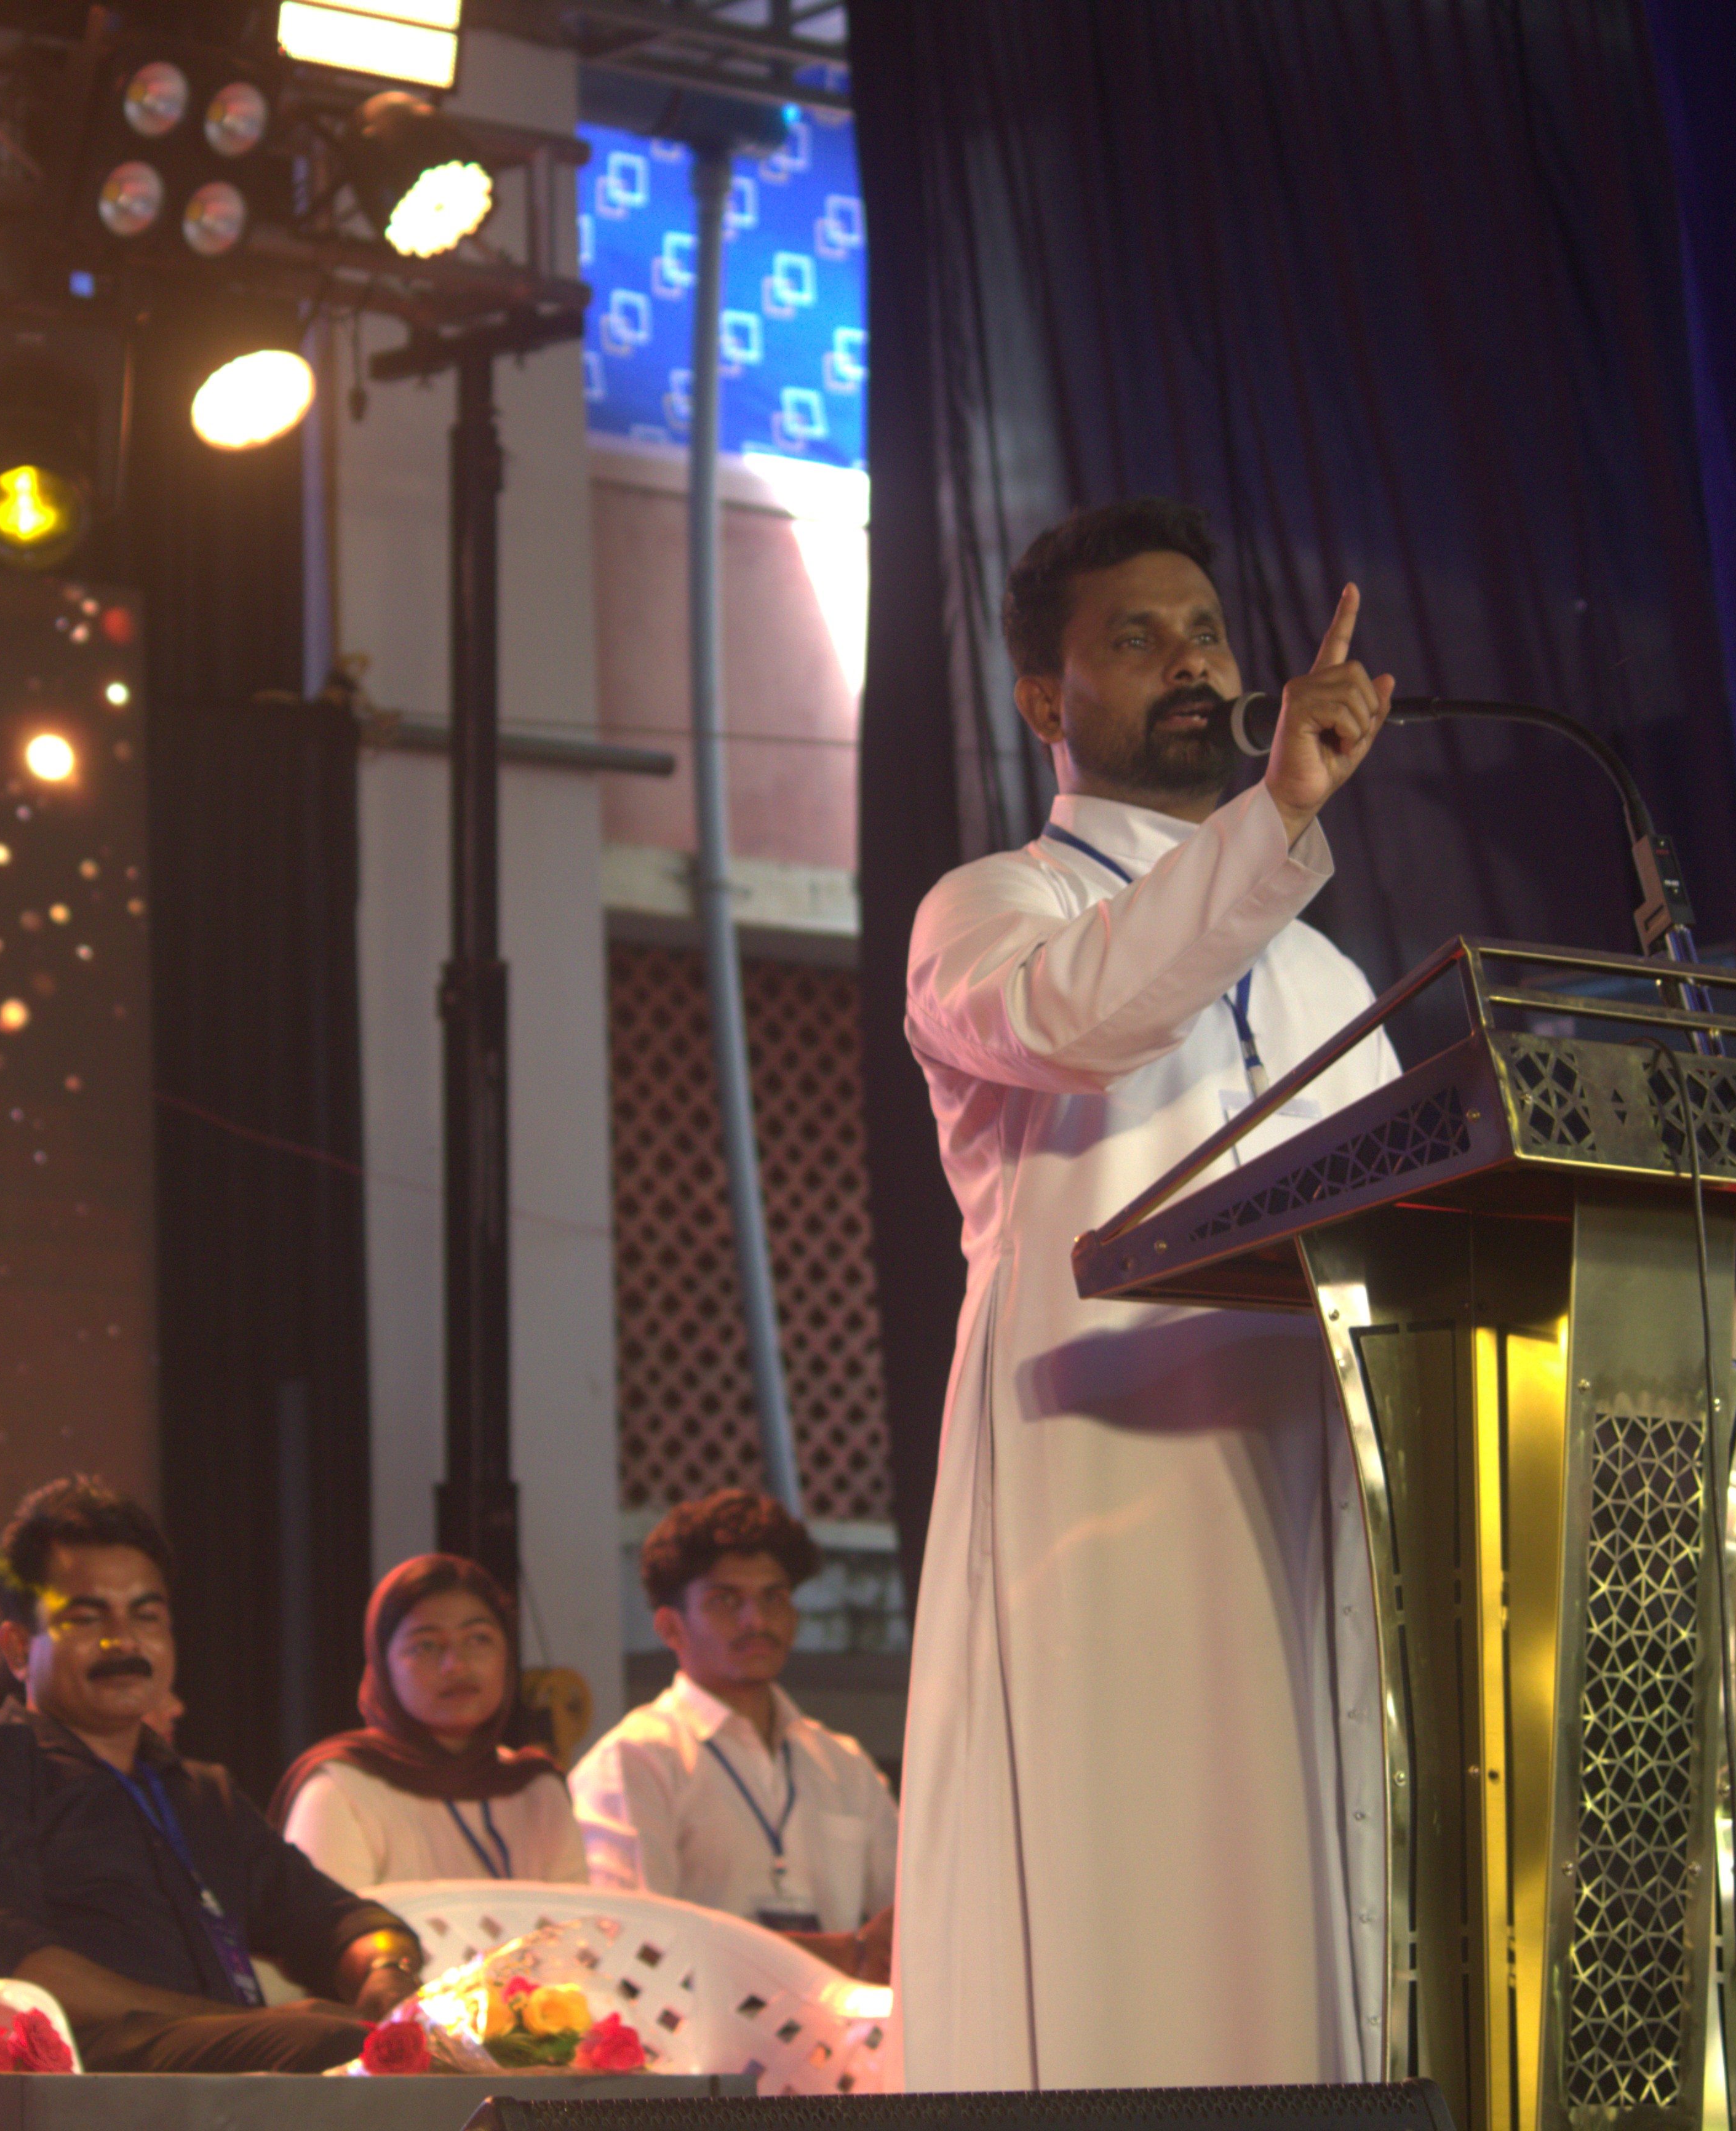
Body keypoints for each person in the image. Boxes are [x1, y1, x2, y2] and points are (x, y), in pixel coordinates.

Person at [894, 498, 1400, 2089]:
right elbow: (1081, 1017)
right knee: (1121, 1905)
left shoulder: (1324, 971)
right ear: (1044, 699)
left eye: (1207, 634)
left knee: (1315, 1903)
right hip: (1099, 1470)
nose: (1192, 663)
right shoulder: (991, 908)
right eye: (1138, 638)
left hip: (1316, 1474)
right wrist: (1278, 818)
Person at [0, 1476, 426, 2073]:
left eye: (146, 1616)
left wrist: (385, 1972)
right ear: (17, 1648)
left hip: (222, 2075)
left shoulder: (199, 1794)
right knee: (331, 2046)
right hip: (80, 2077)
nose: (123, 1641)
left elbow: (338, 1919)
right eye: (86, 1619)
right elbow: (8, 1966)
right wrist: (234, 2023)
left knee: (451, 2039)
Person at [570, 1489, 897, 1982]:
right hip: (698, 2030)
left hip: (845, 2026)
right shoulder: (634, 1760)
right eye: (725, 1601)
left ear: (795, 1617)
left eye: (774, 1598)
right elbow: (631, 1949)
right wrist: (841, 1954)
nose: (757, 1621)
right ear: (671, 1628)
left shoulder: (843, 1764)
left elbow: (915, 1920)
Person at [271, 1555, 584, 1887]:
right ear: (383, 1667)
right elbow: (325, 1922)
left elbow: (579, 1919)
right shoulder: (341, 1791)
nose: (456, 1665)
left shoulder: (537, 1791)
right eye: (425, 1646)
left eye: (479, 1639)